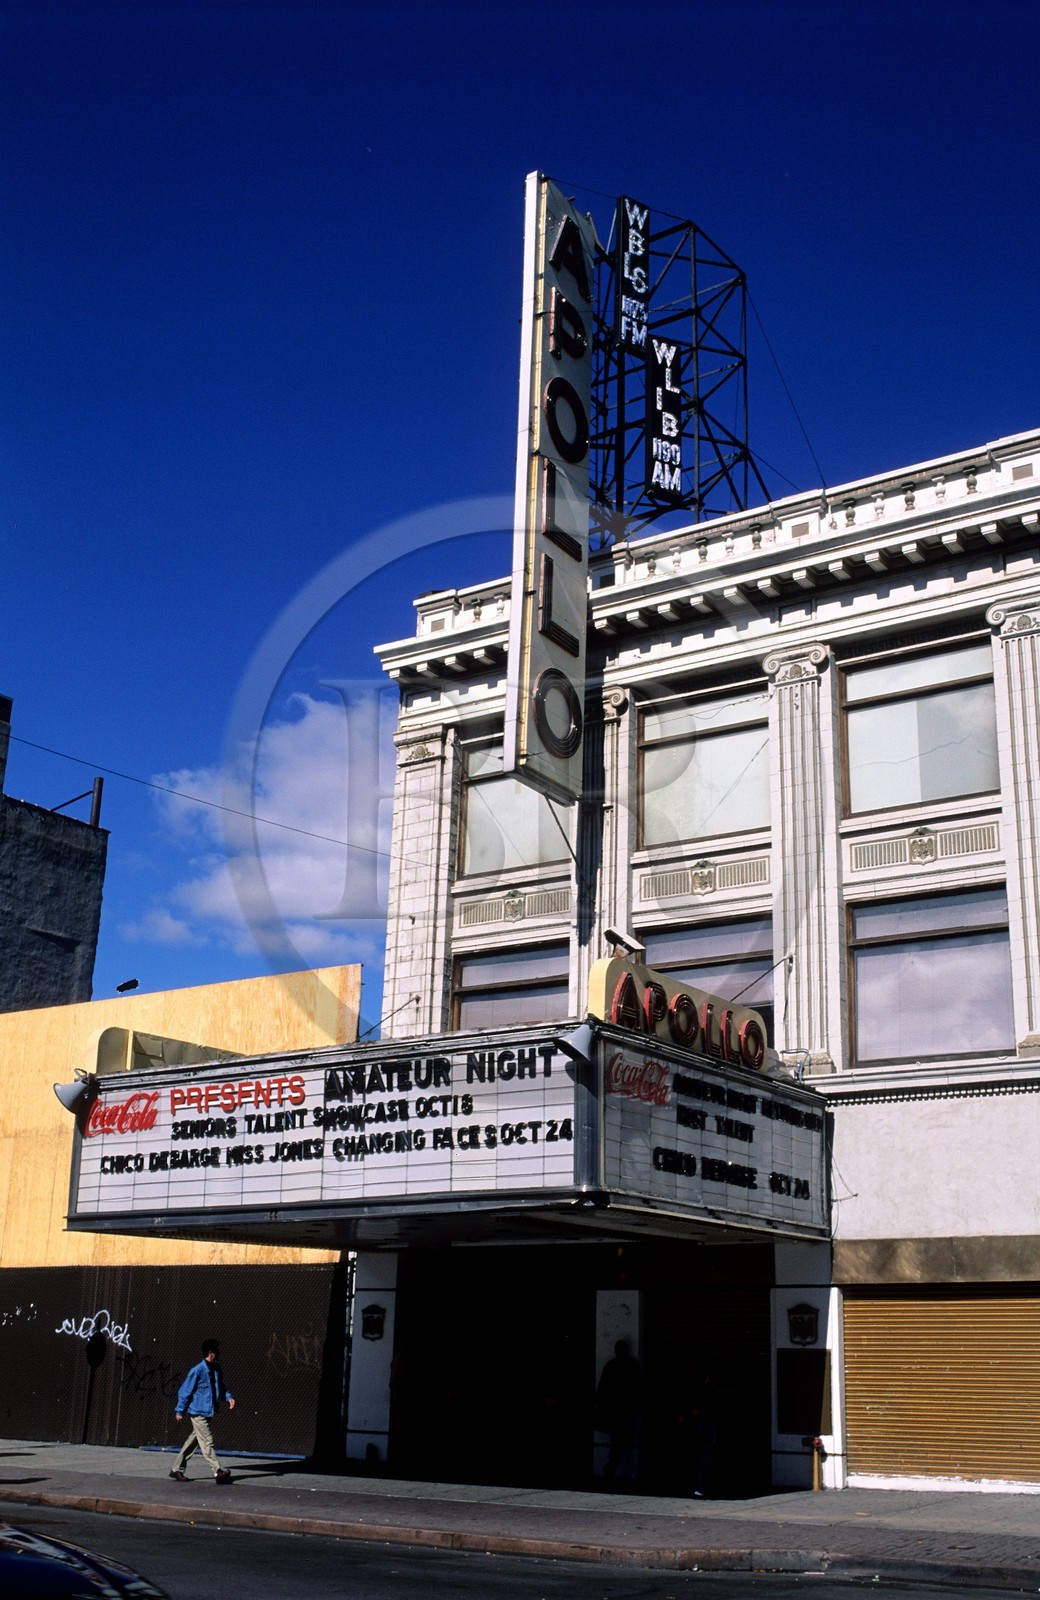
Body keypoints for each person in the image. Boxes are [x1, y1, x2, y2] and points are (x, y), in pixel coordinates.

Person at [168, 1338, 235, 1484]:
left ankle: (176, 1469)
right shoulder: (197, 1371)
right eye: (217, 1351)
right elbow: (185, 1392)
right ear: (211, 1353)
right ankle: (218, 1471)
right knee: (207, 1440)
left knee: (194, 1441)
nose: (219, 1353)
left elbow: (220, 1387)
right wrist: (180, 1411)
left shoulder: (216, 1369)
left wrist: (228, 1397)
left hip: (208, 1412)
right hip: (197, 1412)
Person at [594, 1338, 641, 1480]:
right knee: (620, 1441)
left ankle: (612, 1466)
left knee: (617, 1441)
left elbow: (601, 1390)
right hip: (623, 1412)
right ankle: (613, 1466)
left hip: (614, 1412)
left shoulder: (612, 1365)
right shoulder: (631, 1366)